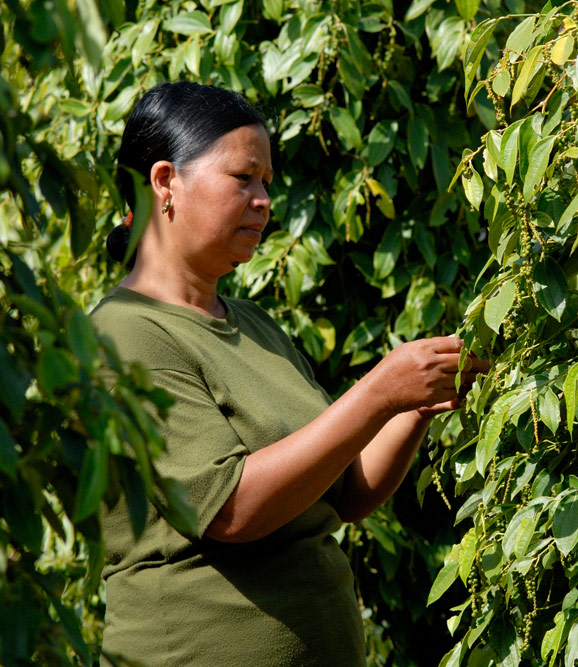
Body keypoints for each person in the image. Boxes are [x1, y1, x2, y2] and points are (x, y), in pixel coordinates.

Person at [90, 81, 488, 666]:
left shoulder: (254, 324)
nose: (262, 199)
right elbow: (229, 511)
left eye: (267, 183)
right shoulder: (125, 334)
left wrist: (414, 407)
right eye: (243, 177)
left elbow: (346, 492)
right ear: (165, 182)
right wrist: (379, 391)